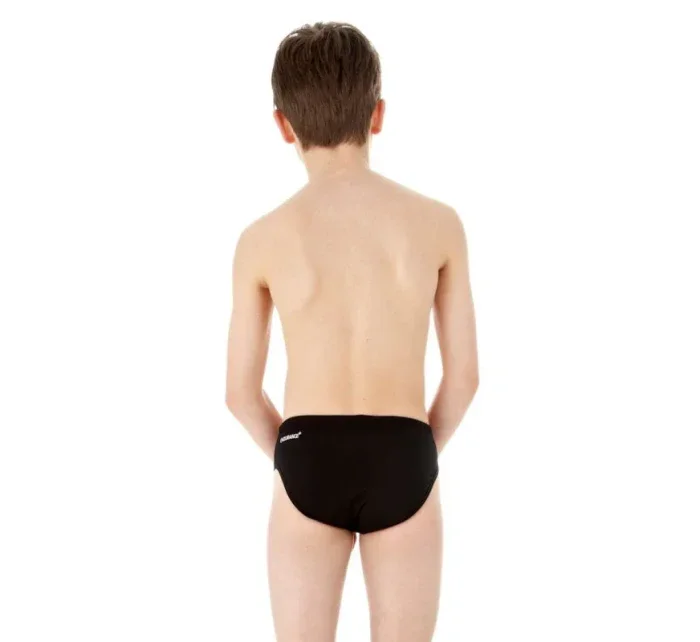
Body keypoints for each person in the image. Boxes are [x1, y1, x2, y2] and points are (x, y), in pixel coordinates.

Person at [225, 21, 479, 642]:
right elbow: (464, 378)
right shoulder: (438, 224)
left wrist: (295, 455)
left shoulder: (262, 238)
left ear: (283, 124)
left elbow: (240, 394)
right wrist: (413, 452)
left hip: (308, 449)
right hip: (404, 448)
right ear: (378, 114)